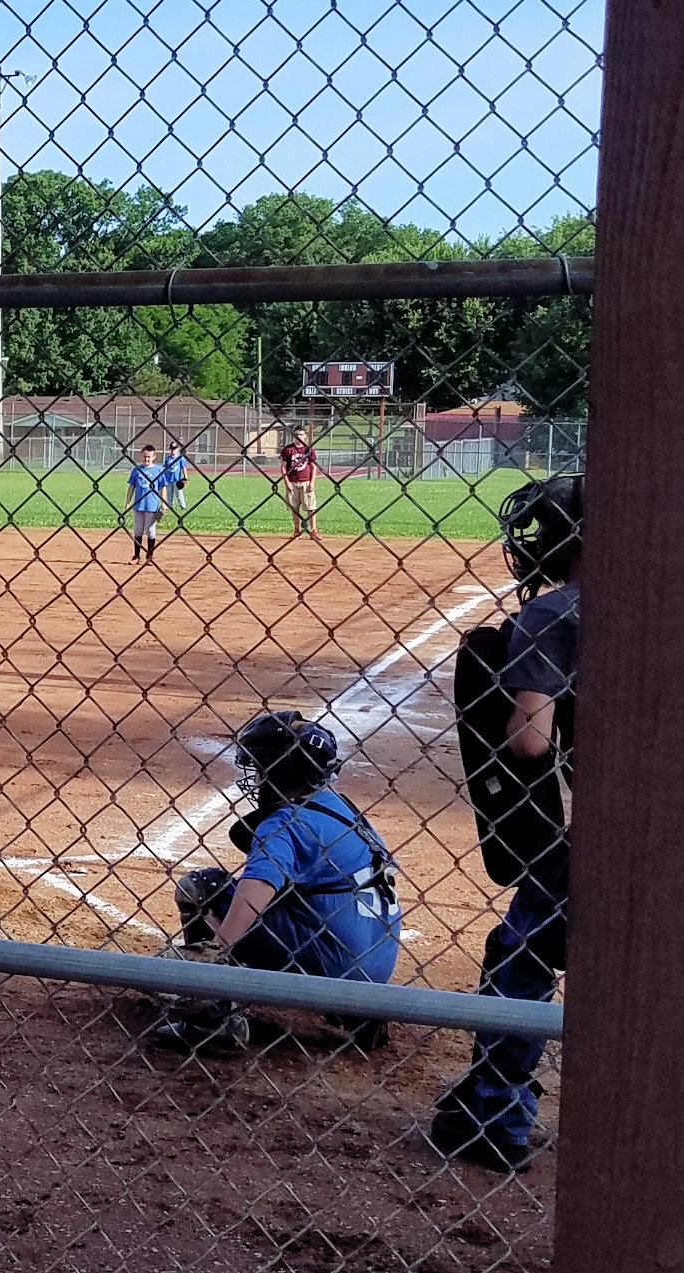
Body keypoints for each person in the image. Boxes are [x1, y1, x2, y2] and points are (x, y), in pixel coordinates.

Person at [430, 474, 581, 1173]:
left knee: (520, 955)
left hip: (597, 832)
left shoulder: (556, 612)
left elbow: (530, 739)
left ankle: (497, 1108)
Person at [149, 710, 403, 1054]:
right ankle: (361, 1010)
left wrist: (216, 952)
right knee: (307, 896)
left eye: (262, 766)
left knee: (203, 888)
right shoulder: (342, 808)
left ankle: (212, 1020)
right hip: (376, 967)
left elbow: (256, 890)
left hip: (332, 961)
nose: (256, 777)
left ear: (284, 771)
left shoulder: (285, 822)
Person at [125, 445, 170, 563]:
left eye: (149, 457)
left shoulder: (158, 470)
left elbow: (163, 487)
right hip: (139, 505)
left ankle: (149, 556)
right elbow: (131, 487)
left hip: (151, 505)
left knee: (150, 530)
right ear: (141, 456)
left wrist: (164, 504)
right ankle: (136, 556)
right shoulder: (137, 470)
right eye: (145, 456)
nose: (147, 459)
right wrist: (128, 503)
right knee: (138, 530)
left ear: (154, 457)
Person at [279, 426, 321, 540]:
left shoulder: (308, 450)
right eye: (297, 434)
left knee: (311, 507)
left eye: (301, 434)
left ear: (305, 436)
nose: (299, 437)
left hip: (305, 482)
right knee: (294, 508)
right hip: (292, 482)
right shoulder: (288, 450)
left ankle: (314, 530)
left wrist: (312, 483)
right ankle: (297, 530)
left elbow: (313, 467)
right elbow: (283, 467)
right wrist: (286, 482)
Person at [160, 443, 190, 515]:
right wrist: (163, 476)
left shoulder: (180, 458)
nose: (173, 451)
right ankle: (170, 506)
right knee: (169, 494)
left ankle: (183, 506)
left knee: (179, 493)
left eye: (174, 449)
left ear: (177, 449)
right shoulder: (168, 458)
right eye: (172, 449)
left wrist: (186, 477)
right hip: (168, 479)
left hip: (177, 479)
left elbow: (183, 468)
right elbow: (165, 468)